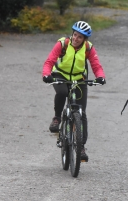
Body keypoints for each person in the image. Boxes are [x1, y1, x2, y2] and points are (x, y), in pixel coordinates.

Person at [42, 21, 106, 161]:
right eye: (75, 35)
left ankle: (81, 146)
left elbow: (96, 66)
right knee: (62, 93)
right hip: (60, 75)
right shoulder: (63, 44)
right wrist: (46, 74)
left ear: (85, 39)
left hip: (79, 79)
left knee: (81, 113)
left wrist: (100, 77)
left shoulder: (88, 48)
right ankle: (57, 118)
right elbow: (49, 61)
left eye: (80, 37)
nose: (76, 39)